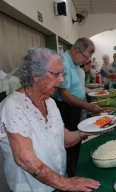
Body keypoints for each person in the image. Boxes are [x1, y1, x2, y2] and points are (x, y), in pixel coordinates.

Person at [0, 48, 100, 192]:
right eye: (55, 74)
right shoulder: (13, 106)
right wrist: (66, 183)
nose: (62, 79)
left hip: (56, 183)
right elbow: (25, 160)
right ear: (35, 74)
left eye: (62, 74)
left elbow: (64, 139)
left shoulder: (50, 102)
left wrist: (87, 131)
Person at [52, 37, 102, 177]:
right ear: (76, 50)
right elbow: (65, 95)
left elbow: (78, 88)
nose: (86, 61)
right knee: (68, 142)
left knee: (75, 141)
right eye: (85, 57)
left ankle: (73, 168)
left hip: (75, 107)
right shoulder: (64, 63)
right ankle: (67, 173)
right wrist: (88, 106)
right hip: (65, 108)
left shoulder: (75, 64)